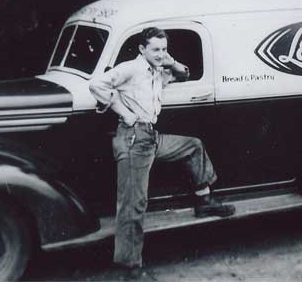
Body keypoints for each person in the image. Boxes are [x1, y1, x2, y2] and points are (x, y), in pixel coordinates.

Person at [89, 27, 235, 273]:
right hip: (133, 139)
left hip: (151, 138)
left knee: (193, 146)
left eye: (164, 48)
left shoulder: (158, 71)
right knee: (133, 205)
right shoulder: (131, 68)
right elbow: (97, 85)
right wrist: (125, 113)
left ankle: (204, 201)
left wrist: (170, 60)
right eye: (155, 49)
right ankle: (130, 267)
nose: (160, 54)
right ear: (142, 49)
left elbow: (185, 74)